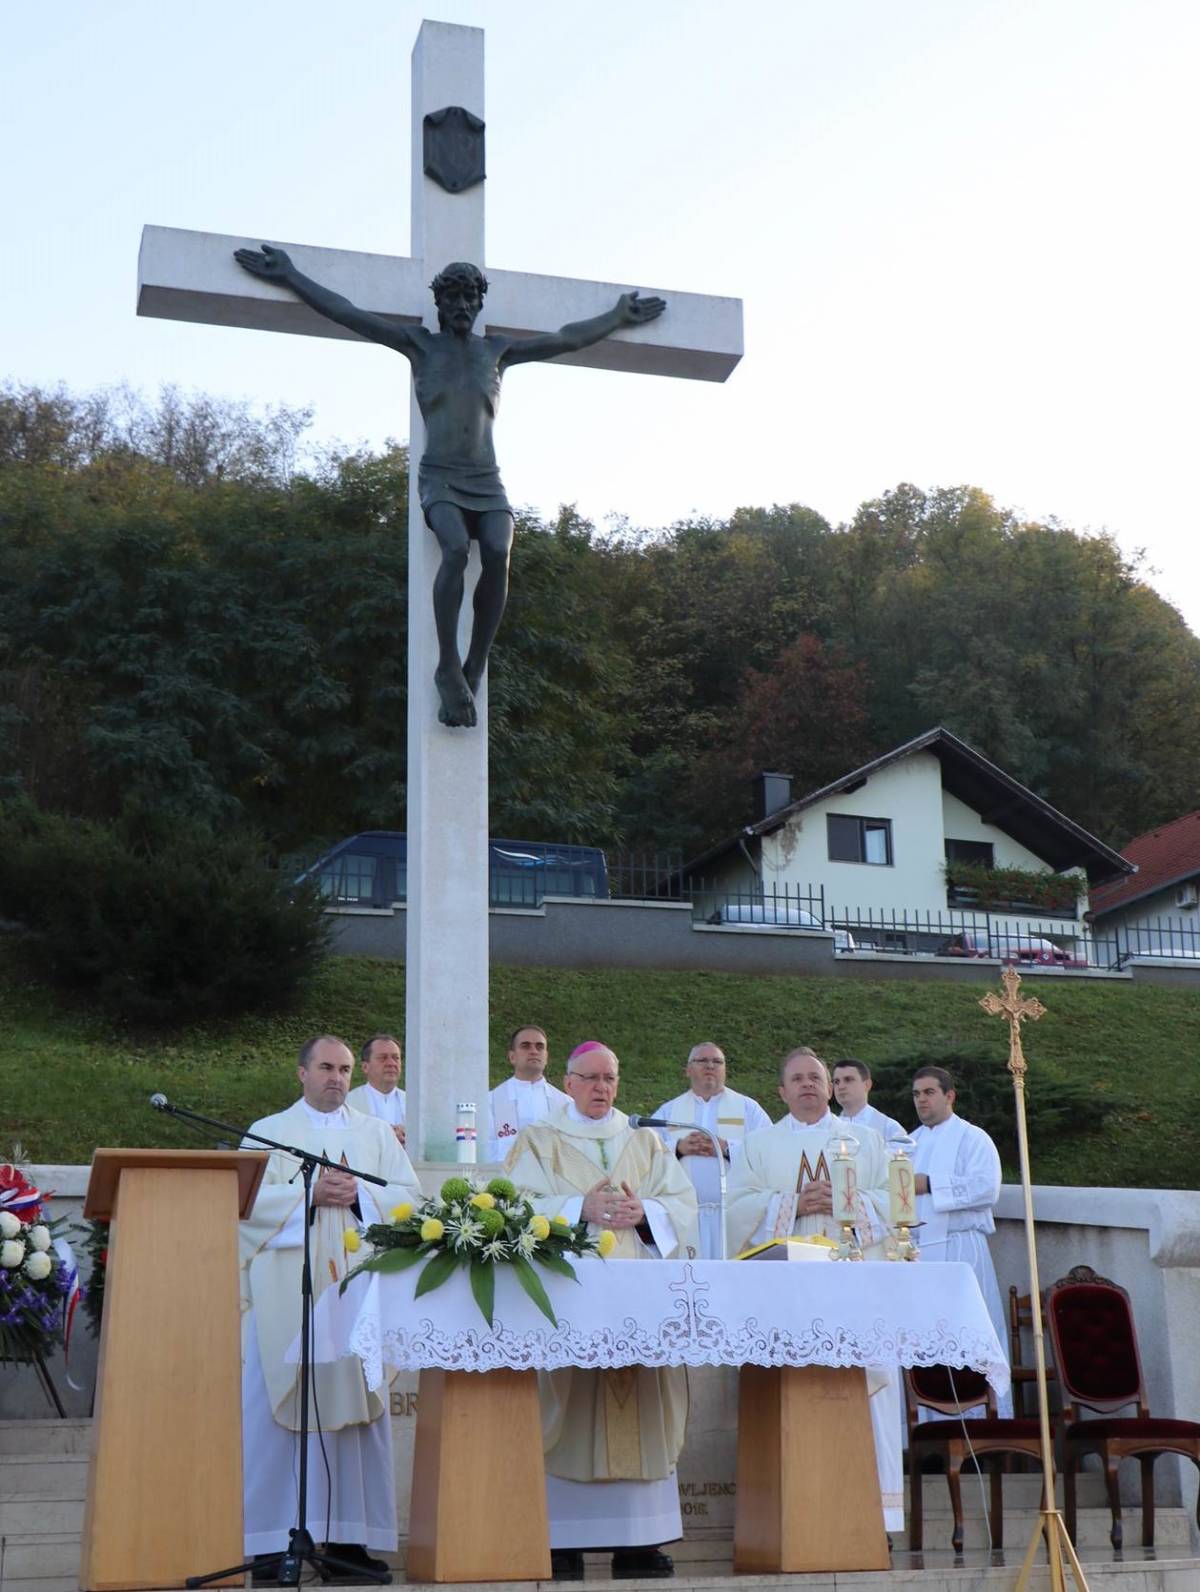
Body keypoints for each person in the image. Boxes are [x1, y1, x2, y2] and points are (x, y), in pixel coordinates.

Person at [233, 245, 665, 728]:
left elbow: (566, 338)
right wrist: (292, 276)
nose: (461, 306)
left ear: (480, 305)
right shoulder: (420, 345)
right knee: (456, 551)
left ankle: (476, 662)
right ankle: (447, 663)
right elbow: (346, 312)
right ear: (438, 304)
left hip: (487, 479)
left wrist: (616, 316)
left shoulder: (497, 351)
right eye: (453, 298)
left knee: (499, 552)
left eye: (470, 298)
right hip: (439, 474)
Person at [505, 1041, 698, 1580]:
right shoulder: (539, 1141)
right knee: (567, 1403)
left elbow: (682, 1205)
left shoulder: (646, 1142)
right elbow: (512, 1205)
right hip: (570, 1299)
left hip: (637, 1299)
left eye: (609, 1078)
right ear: (567, 1083)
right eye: (589, 1078)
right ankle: (561, 1540)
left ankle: (641, 1541)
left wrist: (648, 1214)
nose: (601, 1088)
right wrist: (576, 1208)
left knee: (641, 1402)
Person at [239, 1035, 423, 1583]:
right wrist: (309, 1197)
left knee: (356, 1420)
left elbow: (411, 1200)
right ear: (301, 1072)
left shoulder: (374, 1135)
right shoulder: (267, 1133)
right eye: (326, 1067)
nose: (337, 1078)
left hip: (357, 1295)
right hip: (284, 1298)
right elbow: (238, 1208)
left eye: (344, 1069)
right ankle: (273, 1545)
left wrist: (362, 1198)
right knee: (274, 1419)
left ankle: (350, 1540)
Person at [725, 1048, 903, 1534]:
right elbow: (735, 1210)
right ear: (781, 1092)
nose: (807, 1085)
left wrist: (849, 1201)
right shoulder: (758, 1146)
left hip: (854, 1287)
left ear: (829, 1088)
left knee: (865, 1393)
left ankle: (874, 1520)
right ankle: (792, 1516)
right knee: (794, 1389)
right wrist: (791, 1203)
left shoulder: (866, 1141)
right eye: (797, 1079)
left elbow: (896, 1203)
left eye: (815, 1078)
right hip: (787, 1296)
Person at [909, 1065, 1011, 1416]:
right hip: (921, 1252)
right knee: (927, 1337)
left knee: (971, 1330)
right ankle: (929, 1423)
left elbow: (987, 1188)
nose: (922, 1099)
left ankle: (985, 1419)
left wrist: (932, 1184)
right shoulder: (910, 1143)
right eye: (917, 1094)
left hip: (963, 1248)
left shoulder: (974, 1138)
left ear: (949, 1095)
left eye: (929, 1092)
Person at [651, 1042, 772, 1258]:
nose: (710, 1066)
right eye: (702, 1061)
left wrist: (727, 1149)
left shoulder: (748, 1109)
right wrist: (678, 1148)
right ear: (688, 1070)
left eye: (717, 1061)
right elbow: (645, 1156)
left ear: (725, 1069)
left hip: (733, 1217)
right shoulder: (668, 1112)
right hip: (684, 1217)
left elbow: (768, 1153)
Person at [484, 1024, 568, 1162]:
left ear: (546, 1057)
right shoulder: (490, 1102)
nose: (534, 1051)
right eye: (525, 1046)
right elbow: (483, 1150)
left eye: (539, 1047)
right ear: (512, 1057)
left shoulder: (565, 1104)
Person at [346, 1033, 406, 1145]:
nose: (391, 1063)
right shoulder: (347, 1104)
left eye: (396, 1058)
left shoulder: (416, 1105)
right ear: (365, 1067)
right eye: (383, 1058)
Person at [832, 1058, 907, 1145]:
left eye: (848, 1080)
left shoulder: (889, 1129)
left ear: (867, 1085)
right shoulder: (830, 1128)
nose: (841, 1086)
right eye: (836, 1082)